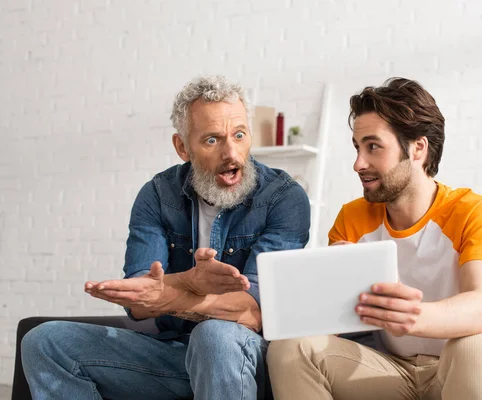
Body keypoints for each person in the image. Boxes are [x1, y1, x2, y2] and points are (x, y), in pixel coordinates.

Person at [20, 75, 310, 400]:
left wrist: (181, 289)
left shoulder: (284, 197)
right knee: (43, 340)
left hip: (243, 358)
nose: (232, 153)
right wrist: (185, 283)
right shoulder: (158, 195)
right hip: (171, 354)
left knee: (214, 335)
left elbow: (252, 310)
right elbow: (141, 301)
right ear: (182, 147)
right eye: (212, 140)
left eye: (239, 135)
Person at [267, 78, 482, 400]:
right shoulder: (352, 218)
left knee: (474, 347)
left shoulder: (474, 212)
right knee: (290, 349)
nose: (358, 164)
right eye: (357, 147)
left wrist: (413, 316)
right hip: (398, 372)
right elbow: (326, 327)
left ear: (418, 148)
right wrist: (325, 297)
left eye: (373, 146)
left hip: (475, 367)